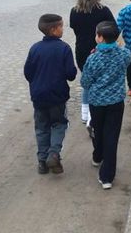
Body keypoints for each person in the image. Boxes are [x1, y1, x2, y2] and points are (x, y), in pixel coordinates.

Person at [24, 14, 77, 175]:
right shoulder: (64, 48)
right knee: (59, 124)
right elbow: (71, 74)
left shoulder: (35, 48)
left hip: (39, 96)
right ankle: (53, 154)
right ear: (54, 29)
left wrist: (37, 84)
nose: (63, 29)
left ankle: (42, 162)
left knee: (41, 127)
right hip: (57, 96)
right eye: (61, 26)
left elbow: (28, 73)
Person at [81, 21, 131, 190]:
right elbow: (128, 60)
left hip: (97, 102)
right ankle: (107, 176)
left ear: (100, 38)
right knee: (112, 136)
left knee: (98, 130)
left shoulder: (93, 58)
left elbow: (85, 82)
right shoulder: (124, 54)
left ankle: (98, 156)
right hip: (116, 101)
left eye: (97, 34)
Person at [70, 0, 115, 124]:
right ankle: (96, 113)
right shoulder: (104, 11)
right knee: (102, 80)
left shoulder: (74, 11)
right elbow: (114, 29)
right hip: (102, 51)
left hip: (82, 51)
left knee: (87, 81)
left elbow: (75, 29)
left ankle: (85, 113)